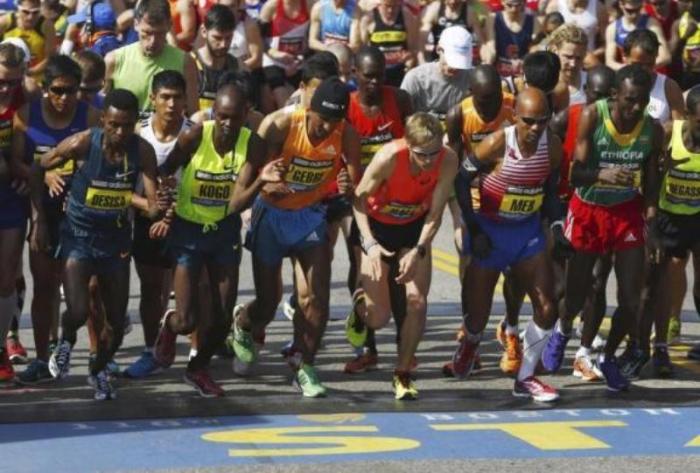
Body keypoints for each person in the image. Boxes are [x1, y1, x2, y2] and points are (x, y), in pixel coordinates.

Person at [230, 77, 361, 398]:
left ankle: (305, 366)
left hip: (309, 216)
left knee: (315, 301)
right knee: (268, 303)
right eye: (322, 120)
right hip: (271, 216)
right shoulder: (278, 126)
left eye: (334, 122)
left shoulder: (347, 135)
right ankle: (244, 323)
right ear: (308, 110)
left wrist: (347, 187)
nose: (326, 128)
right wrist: (264, 182)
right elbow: (242, 185)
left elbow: (355, 187)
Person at [152, 82, 280, 397]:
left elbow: (237, 203)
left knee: (222, 319)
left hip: (223, 231)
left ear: (246, 115)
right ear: (212, 113)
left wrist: (261, 182)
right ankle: (170, 326)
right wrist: (164, 191)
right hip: (188, 230)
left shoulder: (253, 145)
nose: (227, 124)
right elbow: (166, 169)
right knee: (187, 320)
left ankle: (197, 370)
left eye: (234, 118)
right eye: (221, 116)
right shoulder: (195, 135)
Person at [542, 64, 663, 392]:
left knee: (631, 298)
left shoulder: (652, 129)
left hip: (626, 212)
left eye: (642, 101)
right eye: (629, 101)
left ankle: (608, 357)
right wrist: (602, 174)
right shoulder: (593, 117)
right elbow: (574, 174)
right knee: (579, 293)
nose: (635, 108)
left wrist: (651, 225)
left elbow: (652, 183)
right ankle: (564, 328)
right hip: (589, 208)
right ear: (615, 96)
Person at [35, 89, 162, 400]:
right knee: (78, 311)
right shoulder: (82, 142)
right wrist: (49, 178)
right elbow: (40, 164)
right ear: (103, 120)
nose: (120, 132)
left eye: (127, 126)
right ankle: (65, 342)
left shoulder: (142, 151)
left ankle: (98, 370)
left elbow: (153, 205)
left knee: (116, 326)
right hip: (78, 236)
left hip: (116, 241)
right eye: (114, 125)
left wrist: (156, 206)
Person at [450, 87, 564, 402]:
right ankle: (471, 343)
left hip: (526, 232)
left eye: (542, 121)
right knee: (477, 314)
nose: (536, 128)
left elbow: (552, 192)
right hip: (491, 231)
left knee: (548, 306)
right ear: (515, 117)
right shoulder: (498, 142)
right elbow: (461, 180)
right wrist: (473, 228)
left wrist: (557, 226)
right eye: (529, 121)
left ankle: (525, 377)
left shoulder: (552, 147)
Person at [347, 112, 457, 399]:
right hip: (376, 228)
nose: (430, 160)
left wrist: (419, 250)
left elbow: (435, 214)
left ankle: (402, 372)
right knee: (378, 318)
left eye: (435, 152)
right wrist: (369, 244)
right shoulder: (388, 158)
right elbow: (358, 202)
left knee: (417, 303)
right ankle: (360, 306)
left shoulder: (448, 160)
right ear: (408, 145)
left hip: (412, 228)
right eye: (422, 155)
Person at [10, 56, 100, 384]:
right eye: (58, 91)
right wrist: (43, 173)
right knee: (45, 286)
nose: (64, 98)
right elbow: (17, 163)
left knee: (89, 289)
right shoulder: (26, 116)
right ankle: (42, 358)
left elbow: (101, 162)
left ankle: (97, 357)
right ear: (45, 89)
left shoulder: (90, 116)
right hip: (43, 213)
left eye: (72, 91)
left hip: (80, 214)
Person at [342, 45, 412, 374]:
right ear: (354, 74)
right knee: (362, 271)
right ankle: (367, 346)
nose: (374, 83)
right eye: (368, 76)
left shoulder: (398, 100)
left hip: (397, 200)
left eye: (379, 76)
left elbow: (415, 146)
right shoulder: (346, 105)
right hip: (359, 199)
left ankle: (402, 345)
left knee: (398, 277)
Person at [443, 63, 516, 375]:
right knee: (470, 263)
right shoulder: (458, 115)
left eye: (496, 98)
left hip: (510, 197)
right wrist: (460, 214)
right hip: (474, 198)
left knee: (514, 269)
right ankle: (469, 334)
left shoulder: (515, 108)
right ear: (471, 95)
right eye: (485, 100)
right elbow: (457, 168)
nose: (492, 106)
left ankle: (510, 329)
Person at [547, 64, 616, 382]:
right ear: (585, 92)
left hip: (604, 209)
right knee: (565, 288)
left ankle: (584, 353)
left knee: (597, 284)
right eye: (592, 95)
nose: (596, 104)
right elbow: (546, 161)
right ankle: (558, 332)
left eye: (604, 97)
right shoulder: (567, 117)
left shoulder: (623, 123)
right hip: (565, 207)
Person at [123, 70, 193, 379]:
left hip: (189, 221)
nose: (171, 103)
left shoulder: (195, 134)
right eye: (165, 96)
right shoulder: (137, 136)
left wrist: (172, 212)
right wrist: (151, 209)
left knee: (195, 292)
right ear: (152, 98)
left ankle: (196, 357)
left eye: (177, 97)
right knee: (152, 291)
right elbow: (121, 189)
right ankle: (152, 350)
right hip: (148, 222)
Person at [639, 85, 700, 377]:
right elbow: (648, 176)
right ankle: (656, 345)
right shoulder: (668, 133)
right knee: (663, 280)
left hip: (697, 217)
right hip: (667, 218)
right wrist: (650, 221)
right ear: (688, 115)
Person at [0, 42, 34, 382]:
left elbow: (41, 146)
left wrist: (29, 176)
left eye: (12, 81)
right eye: (0, 81)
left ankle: (3, 346)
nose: (6, 88)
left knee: (8, 274)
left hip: (12, 195)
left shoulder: (28, 100)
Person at [105, 0, 199, 115]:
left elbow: (193, 114)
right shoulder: (114, 60)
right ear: (135, 24)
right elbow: (103, 111)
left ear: (169, 26)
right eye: (147, 33)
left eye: (160, 34)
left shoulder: (186, 63)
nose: (153, 41)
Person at [400, 25, 472, 125]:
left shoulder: (473, 78)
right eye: (451, 61)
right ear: (438, 50)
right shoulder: (416, 79)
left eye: (460, 63)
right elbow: (401, 115)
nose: (454, 67)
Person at [259, 0, 311, 108]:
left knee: (304, 100)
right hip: (274, 61)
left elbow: (313, 38)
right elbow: (258, 38)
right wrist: (274, 53)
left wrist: (301, 58)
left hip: (298, 62)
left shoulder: (309, 5)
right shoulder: (271, 6)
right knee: (281, 97)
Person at [191, 4, 238, 111]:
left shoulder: (238, 67)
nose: (223, 44)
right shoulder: (190, 63)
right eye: (217, 38)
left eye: (228, 38)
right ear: (204, 31)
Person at [360, 0, 419, 87]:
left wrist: (409, 60)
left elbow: (412, 49)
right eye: (387, 6)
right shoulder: (369, 18)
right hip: (377, 70)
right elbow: (363, 50)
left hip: (399, 69)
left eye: (394, 7)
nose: (390, 10)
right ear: (380, 4)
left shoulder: (406, 16)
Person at [604, 0, 670, 70]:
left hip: (651, 74)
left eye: (637, 10)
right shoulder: (613, 29)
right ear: (621, 4)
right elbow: (609, 62)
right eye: (630, 11)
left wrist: (644, 68)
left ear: (642, 4)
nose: (634, 15)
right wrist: (632, 70)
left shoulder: (651, 24)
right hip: (628, 76)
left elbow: (665, 57)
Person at [481, 0, 540, 77]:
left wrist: (527, 59)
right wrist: (488, 60)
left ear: (523, 3)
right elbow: (491, 45)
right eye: (509, 5)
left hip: (523, 71)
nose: (513, 9)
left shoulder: (533, 21)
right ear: (502, 2)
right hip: (500, 71)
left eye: (517, 5)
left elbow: (535, 47)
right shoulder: (493, 18)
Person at [418, 0, 484, 64]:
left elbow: (481, 41)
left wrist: (485, 60)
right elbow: (422, 38)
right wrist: (421, 60)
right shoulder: (435, 9)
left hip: (461, 60)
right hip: (439, 59)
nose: (453, 1)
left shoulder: (469, 12)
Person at [0, 0, 54, 78]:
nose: (30, 17)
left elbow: (50, 58)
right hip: (6, 74)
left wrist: (29, 72)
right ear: (18, 9)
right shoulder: (5, 21)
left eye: (35, 12)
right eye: (26, 12)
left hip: (34, 76)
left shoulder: (47, 26)